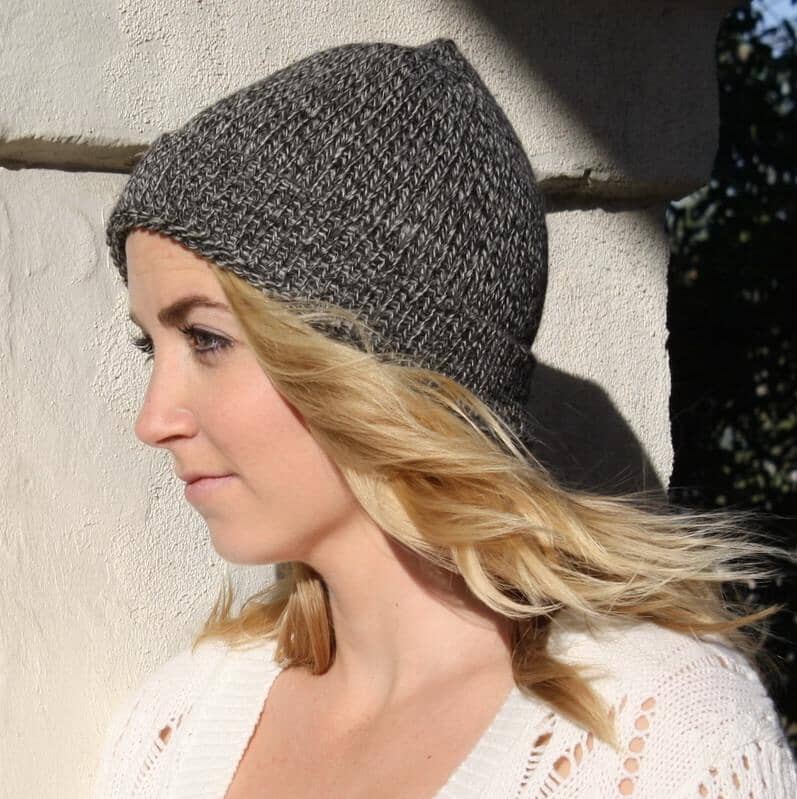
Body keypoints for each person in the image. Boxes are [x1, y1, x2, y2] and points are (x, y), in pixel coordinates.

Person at [91, 38, 797, 798]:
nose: (153, 420)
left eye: (206, 338)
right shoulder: (176, 725)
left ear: (382, 365)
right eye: (150, 345)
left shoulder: (656, 738)